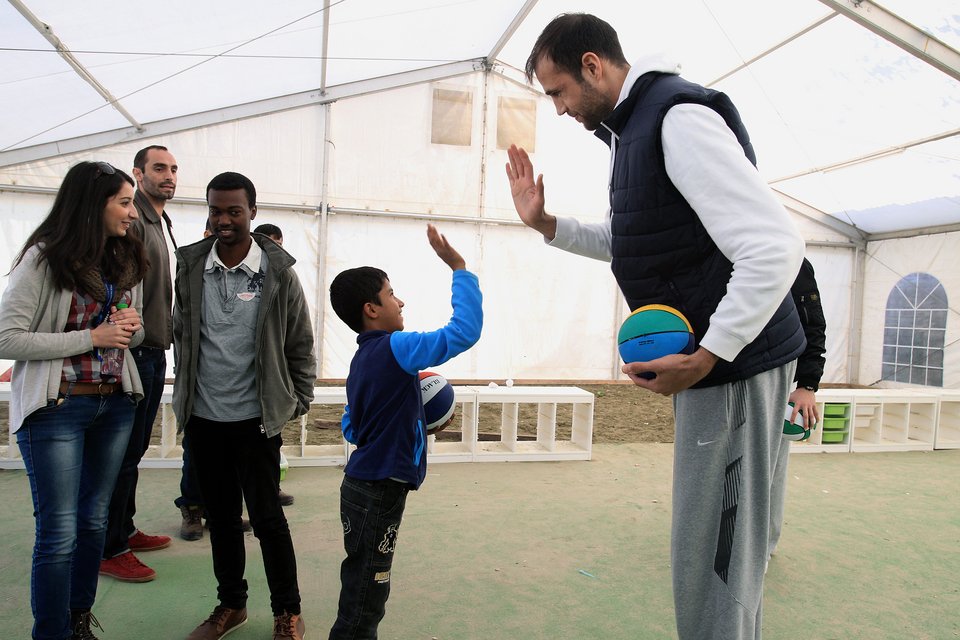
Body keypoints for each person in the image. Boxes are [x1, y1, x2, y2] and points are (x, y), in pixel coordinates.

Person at [505, 14, 806, 639]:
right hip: (715, 366)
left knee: (717, 556)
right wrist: (548, 224)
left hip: (736, 365)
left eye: (558, 91)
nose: (558, 110)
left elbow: (776, 246)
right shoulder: (632, 132)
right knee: (705, 549)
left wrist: (710, 354)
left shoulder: (676, 118)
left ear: (593, 65)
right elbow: (635, 238)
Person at [0, 161, 146, 639]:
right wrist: (93, 336)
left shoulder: (124, 257)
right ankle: (52, 632)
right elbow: (7, 339)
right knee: (59, 533)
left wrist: (129, 326)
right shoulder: (43, 260)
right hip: (57, 409)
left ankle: (78, 620)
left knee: (92, 524)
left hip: (114, 405)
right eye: (123, 202)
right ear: (92, 205)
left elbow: (133, 326)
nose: (131, 212)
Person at [173, 171, 315, 640]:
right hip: (204, 418)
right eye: (216, 210)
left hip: (255, 420)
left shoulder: (279, 273)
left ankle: (287, 612)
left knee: (269, 521)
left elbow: (300, 342)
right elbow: (181, 332)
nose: (224, 220)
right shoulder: (191, 266)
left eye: (234, 210)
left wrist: (298, 399)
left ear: (252, 212)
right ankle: (231, 606)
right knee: (223, 520)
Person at [327, 224, 482, 639]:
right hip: (377, 490)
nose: (400, 301)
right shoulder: (397, 348)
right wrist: (460, 269)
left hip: (363, 487)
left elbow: (352, 425)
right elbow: (463, 333)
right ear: (371, 309)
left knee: (363, 583)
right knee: (366, 594)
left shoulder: (362, 361)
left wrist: (410, 421)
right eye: (391, 294)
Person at [99, 145, 177, 583]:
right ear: (138, 173)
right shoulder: (134, 221)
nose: (169, 176)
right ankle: (111, 546)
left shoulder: (159, 220)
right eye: (159, 168)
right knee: (122, 454)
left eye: (173, 169)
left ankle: (123, 530)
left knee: (132, 452)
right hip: (133, 351)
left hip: (151, 349)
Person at [768, 258, 827, 565]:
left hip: (779, 373)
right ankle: (731, 537)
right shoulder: (718, 249)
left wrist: (807, 384)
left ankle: (763, 544)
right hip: (729, 372)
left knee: (770, 468)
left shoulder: (791, 257)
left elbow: (812, 321)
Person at [252, 221, 294, 507]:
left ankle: (270, 489)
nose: (270, 249)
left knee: (272, 440)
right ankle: (195, 505)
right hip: (239, 383)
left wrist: (299, 388)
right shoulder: (248, 277)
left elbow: (298, 335)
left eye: (275, 243)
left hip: (274, 380)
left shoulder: (287, 277)